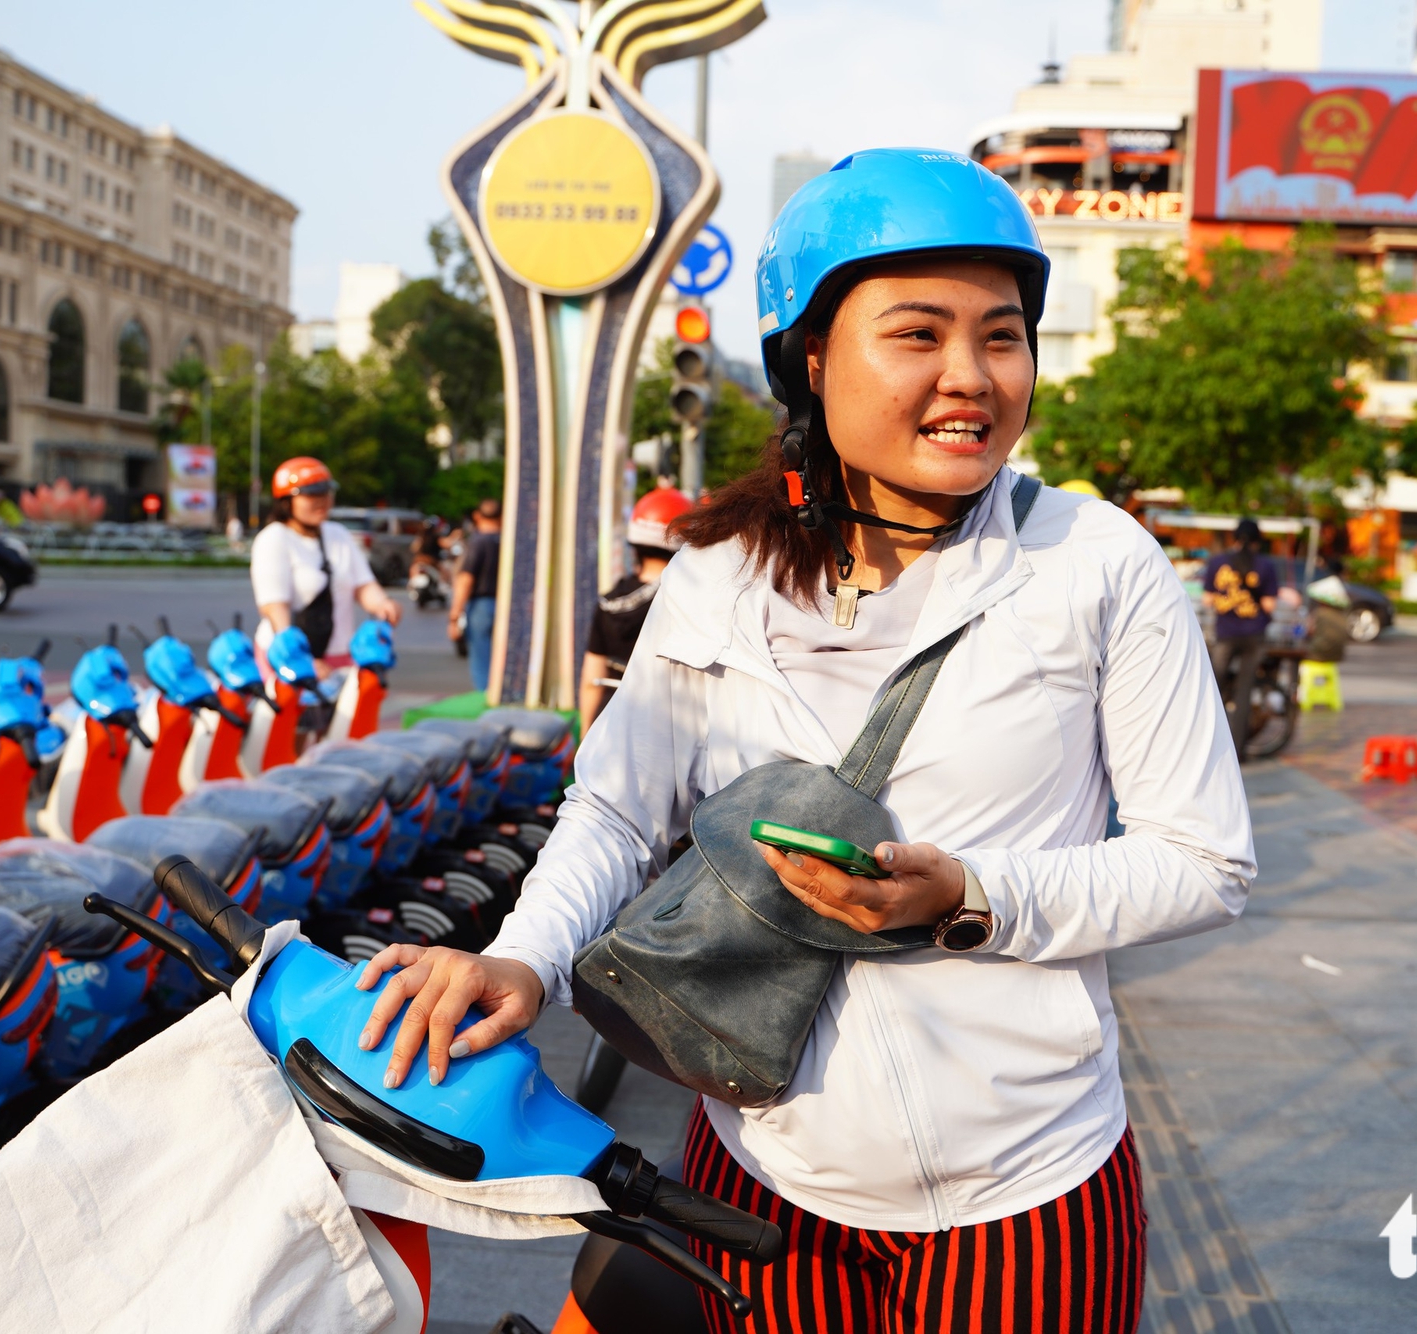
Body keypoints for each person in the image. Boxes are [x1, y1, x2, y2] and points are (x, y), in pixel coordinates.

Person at [351, 148, 1252, 1334]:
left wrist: (972, 896)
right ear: (812, 356)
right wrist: (520, 959)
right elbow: (618, 811)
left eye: (1000, 335)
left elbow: (1203, 860)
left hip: (1030, 1192)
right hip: (760, 1182)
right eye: (917, 334)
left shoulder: (1095, 565)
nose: (969, 377)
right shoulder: (717, 580)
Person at [250, 457, 400, 669]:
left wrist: (383, 604)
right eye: (312, 494)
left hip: (340, 656)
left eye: (326, 492)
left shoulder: (338, 534)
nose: (322, 500)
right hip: (288, 658)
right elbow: (275, 607)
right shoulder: (274, 539)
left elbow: (363, 585)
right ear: (287, 502)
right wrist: (301, 660)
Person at [579, 481, 691, 734]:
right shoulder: (688, 603)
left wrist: (586, 736)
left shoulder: (609, 602)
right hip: (667, 724)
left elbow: (591, 680)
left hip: (610, 719)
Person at [1203, 517, 1280, 759]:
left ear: (1234, 538)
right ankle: (1237, 751)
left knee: (1212, 688)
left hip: (1226, 634)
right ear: (1257, 541)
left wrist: (1227, 602)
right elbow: (1269, 605)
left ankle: (1206, 744)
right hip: (1254, 635)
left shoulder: (1218, 562)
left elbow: (1206, 600)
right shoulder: (1265, 566)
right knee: (1245, 692)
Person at [450, 496, 503, 691]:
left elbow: (465, 579)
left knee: (482, 661)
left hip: (482, 605)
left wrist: (454, 615)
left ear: (477, 516)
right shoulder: (509, 543)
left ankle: (486, 698)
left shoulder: (478, 542)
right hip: (507, 607)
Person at [1304, 575, 1351, 664]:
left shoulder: (1320, 613)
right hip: (1337, 655)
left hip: (1319, 654)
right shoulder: (1341, 615)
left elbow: (1309, 631)